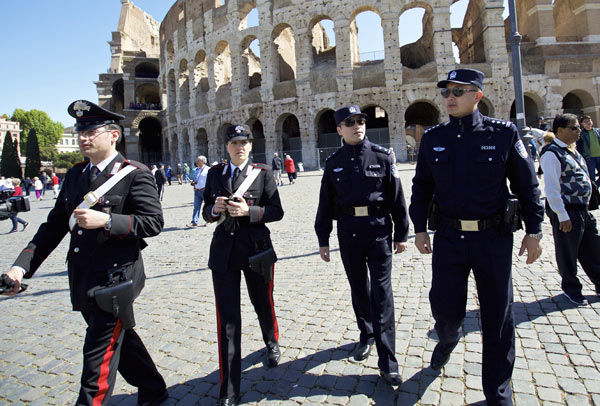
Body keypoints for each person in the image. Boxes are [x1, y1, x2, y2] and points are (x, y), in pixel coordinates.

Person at [2, 100, 168, 406]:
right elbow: (53, 227)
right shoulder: (77, 175)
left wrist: (108, 220)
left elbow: (154, 222)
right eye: (80, 131)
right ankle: (154, 387)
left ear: (114, 135)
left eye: (91, 130)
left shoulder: (134, 174)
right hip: (83, 277)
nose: (83, 137)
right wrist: (20, 268)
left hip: (116, 279)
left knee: (97, 360)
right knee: (120, 340)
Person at [409, 69, 544, 406]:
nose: (449, 97)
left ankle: (498, 392)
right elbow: (421, 187)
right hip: (450, 238)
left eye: (458, 91)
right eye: (445, 92)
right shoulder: (434, 138)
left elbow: (527, 185)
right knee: (445, 308)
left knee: (498, 317)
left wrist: (534, 230)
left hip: (493, 238)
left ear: (477, 96)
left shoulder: (503, 133)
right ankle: (448, 337)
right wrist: (420, 227)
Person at [314, 105, 409, 387]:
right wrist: (323, 239)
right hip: (349, 233)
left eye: (360, 121)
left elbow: (397, 197)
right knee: (359, 288)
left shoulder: (382, 156)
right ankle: (365, 333)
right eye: (350, 122)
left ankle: (388, 361)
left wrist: (402, 233)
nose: (358, 125)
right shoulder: (333, 163)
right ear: (339, 129)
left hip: (379, 231)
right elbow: (325, 204)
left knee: (382, 294)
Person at [202, 124, 283, 406]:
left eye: (244, 142)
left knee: (263, 302)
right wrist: (214, 209)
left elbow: (277, 211)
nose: (239, 147)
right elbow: (205, 211)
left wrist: (250, 211)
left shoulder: (262, 172)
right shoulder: (215, 174)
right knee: (227, 321)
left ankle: (271, 341)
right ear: (226, 147)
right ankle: (229, 390)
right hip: (224, 253)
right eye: (234, 143)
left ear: (251, 145)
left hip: (256, 249)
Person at [540, 114, 600, 306]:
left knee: (593, 248)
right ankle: (571, 290)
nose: (578, 130)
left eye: (578, 128)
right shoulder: (551, 153)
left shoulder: (571, 150)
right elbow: (551, 187)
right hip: (567, 211)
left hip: (582, 210)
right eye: (574, 128)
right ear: (560, 131)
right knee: (568, 252)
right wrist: (562, 215)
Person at [577, 115, 600, 185]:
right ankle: (594, 192)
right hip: (589, 158)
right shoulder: (581, 134)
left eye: (589, 120)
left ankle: (596, 186)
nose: (588, 122)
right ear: (582, 124)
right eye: (585, 121)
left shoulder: (597, 131)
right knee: (591, 177)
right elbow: (579, 147)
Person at [188, 155, 209, 227]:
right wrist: (194, 186)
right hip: (197, 190)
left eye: (198, 160)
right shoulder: (197, 169)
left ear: (203, 161)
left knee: (207, 206)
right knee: (196, 207)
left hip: (205, 190)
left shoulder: (208, 169)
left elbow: (211, 180)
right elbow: (195, 179)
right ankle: (194, 221)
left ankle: (208, 220)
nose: (196, 161)